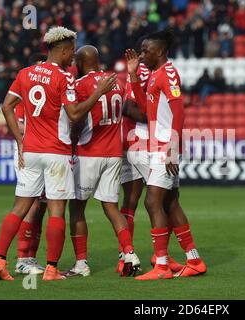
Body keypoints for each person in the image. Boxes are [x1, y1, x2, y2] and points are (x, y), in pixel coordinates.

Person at [0, 26, 117, 281]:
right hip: (56, 153)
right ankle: (51, 269)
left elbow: (6, 107)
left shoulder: (25, 73)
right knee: (56, 211)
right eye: (72, 52)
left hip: (31, 150)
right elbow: (75, 114)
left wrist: (19, 141)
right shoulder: (64, 77)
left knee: (19, 208)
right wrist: (98, 92)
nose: (73, 59)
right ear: (66, 50)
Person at [126, 29, 207, 280]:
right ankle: (194, 260)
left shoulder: (168, 73)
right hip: (156, 145)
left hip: (165, 146)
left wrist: (172, 147)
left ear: (160, 51)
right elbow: (143, 107)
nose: (142, 55)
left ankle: (161, 266)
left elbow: (179, 112)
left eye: (146, 51)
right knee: (170, 202)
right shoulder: (152, 76)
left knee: (152, 202)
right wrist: (133, 76)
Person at [63, 45, 141, 278]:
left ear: (78, 62)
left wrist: (73, 137)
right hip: (114, 153)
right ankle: (129, 253)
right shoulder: (116, 81)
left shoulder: (81, 85)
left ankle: (81, 264)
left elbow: (76, 117)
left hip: (89, 152)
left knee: (77, 208)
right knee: (111, 207)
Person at [119, 56, 183, 274]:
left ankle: (127, 257)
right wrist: (154, 115)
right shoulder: (145, 72)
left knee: (132, 202)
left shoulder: (140, 72)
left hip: (132, 142)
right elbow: (131, 108)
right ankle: (160, 257)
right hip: (143, 144)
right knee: (166, 202)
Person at [14, 52, 48, 275]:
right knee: (31, 205)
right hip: (29, 152)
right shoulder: (23, 98)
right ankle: (21, 259)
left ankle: (31, 258)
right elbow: (20, 127)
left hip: (45, 153)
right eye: (39, 68)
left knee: (42, 207)